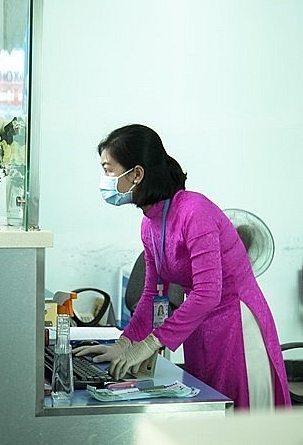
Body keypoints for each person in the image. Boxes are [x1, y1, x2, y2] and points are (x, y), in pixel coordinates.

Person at [73, 124, 290, 410]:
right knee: (209, 411)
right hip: (199, 325)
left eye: (108, 169)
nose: (104, 179)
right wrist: (124, 343)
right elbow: (152, 294)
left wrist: (150, 343)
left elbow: (208, 293)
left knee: (242, 417)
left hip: (236, 323)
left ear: (136, 174)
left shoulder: (193, 211)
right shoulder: (150, 223)